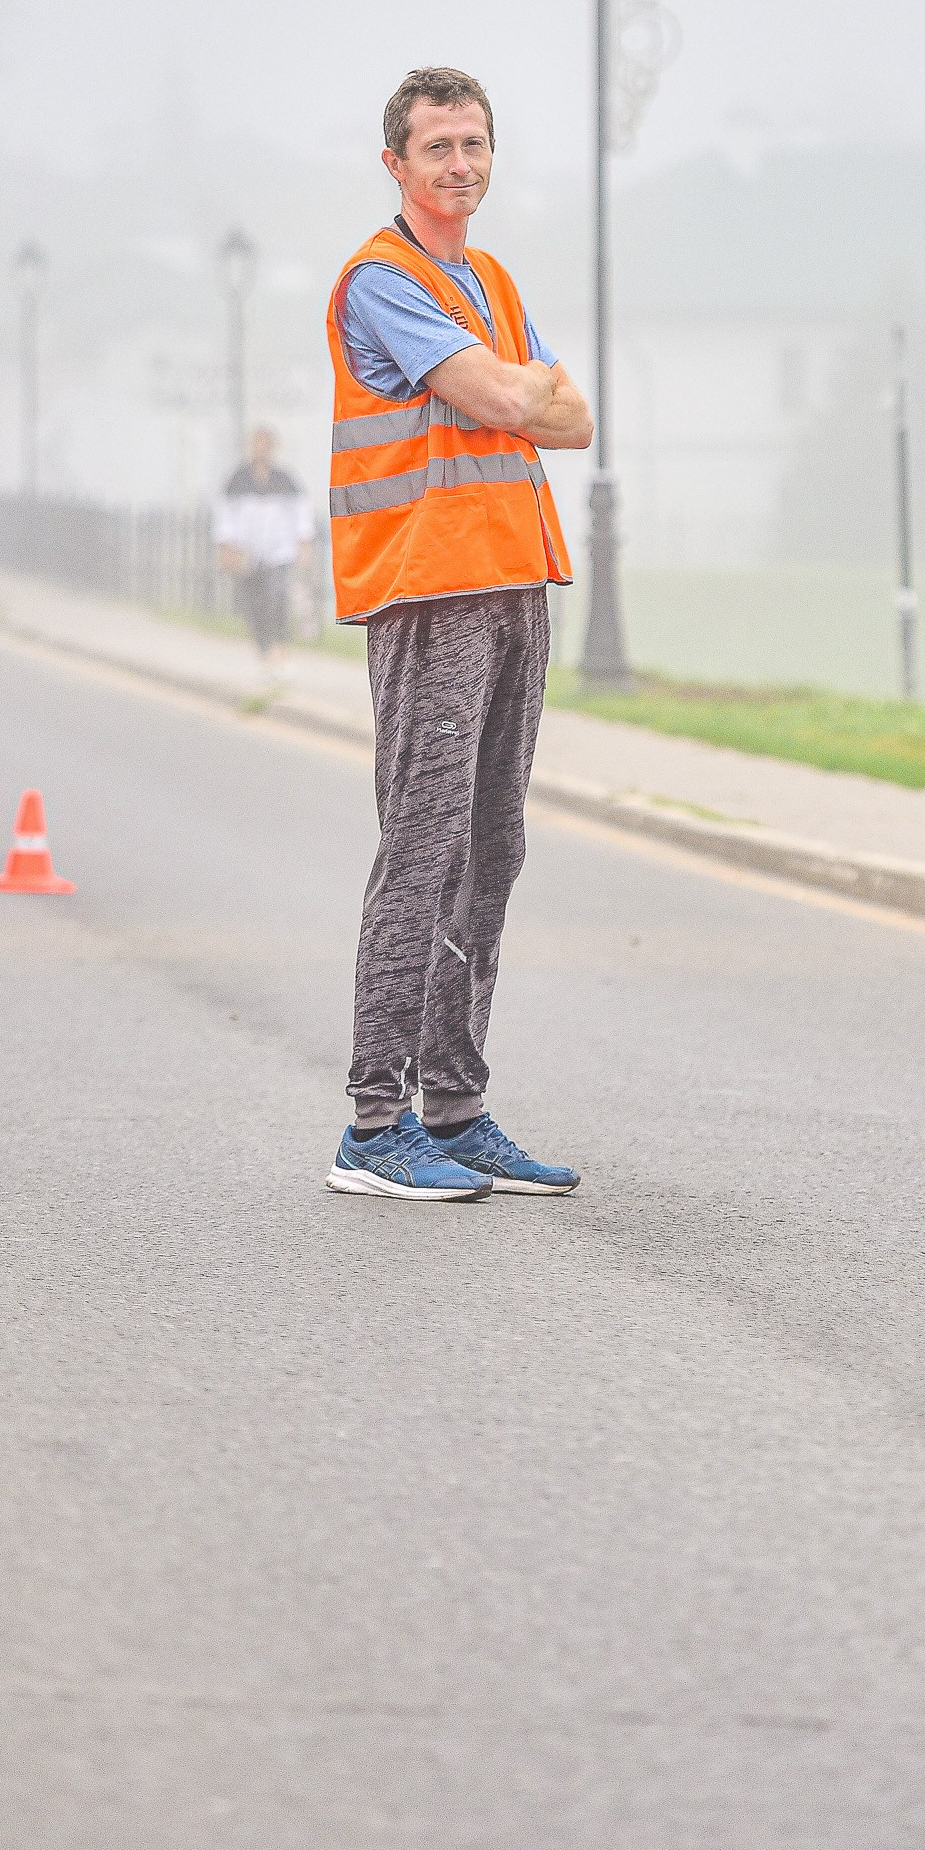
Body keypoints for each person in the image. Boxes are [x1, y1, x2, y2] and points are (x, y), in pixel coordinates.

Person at [323, 66, 594, 1202]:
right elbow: (508, 399)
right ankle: (372, 1125)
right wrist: (514, 388)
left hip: (514, 582)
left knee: (491, 849)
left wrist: (516, 390)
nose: (460, 165)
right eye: (437, 147)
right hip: (431, 593)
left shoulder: (488, 279)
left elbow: (573, 419)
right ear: (395, 163)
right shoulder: (381, 281)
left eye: (474, 143)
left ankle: (455, 1106)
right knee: (423, 847)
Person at [213, 426, 315, 663]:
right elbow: (225, 515)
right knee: (254, 601)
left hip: (279, 550)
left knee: (278, 596)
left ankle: (281, 644)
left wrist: (304, 543)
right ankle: (263, 648)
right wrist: (226, 546)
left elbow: (301, 513)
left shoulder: (285, 479)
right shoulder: (237, 479)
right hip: (247, 552)